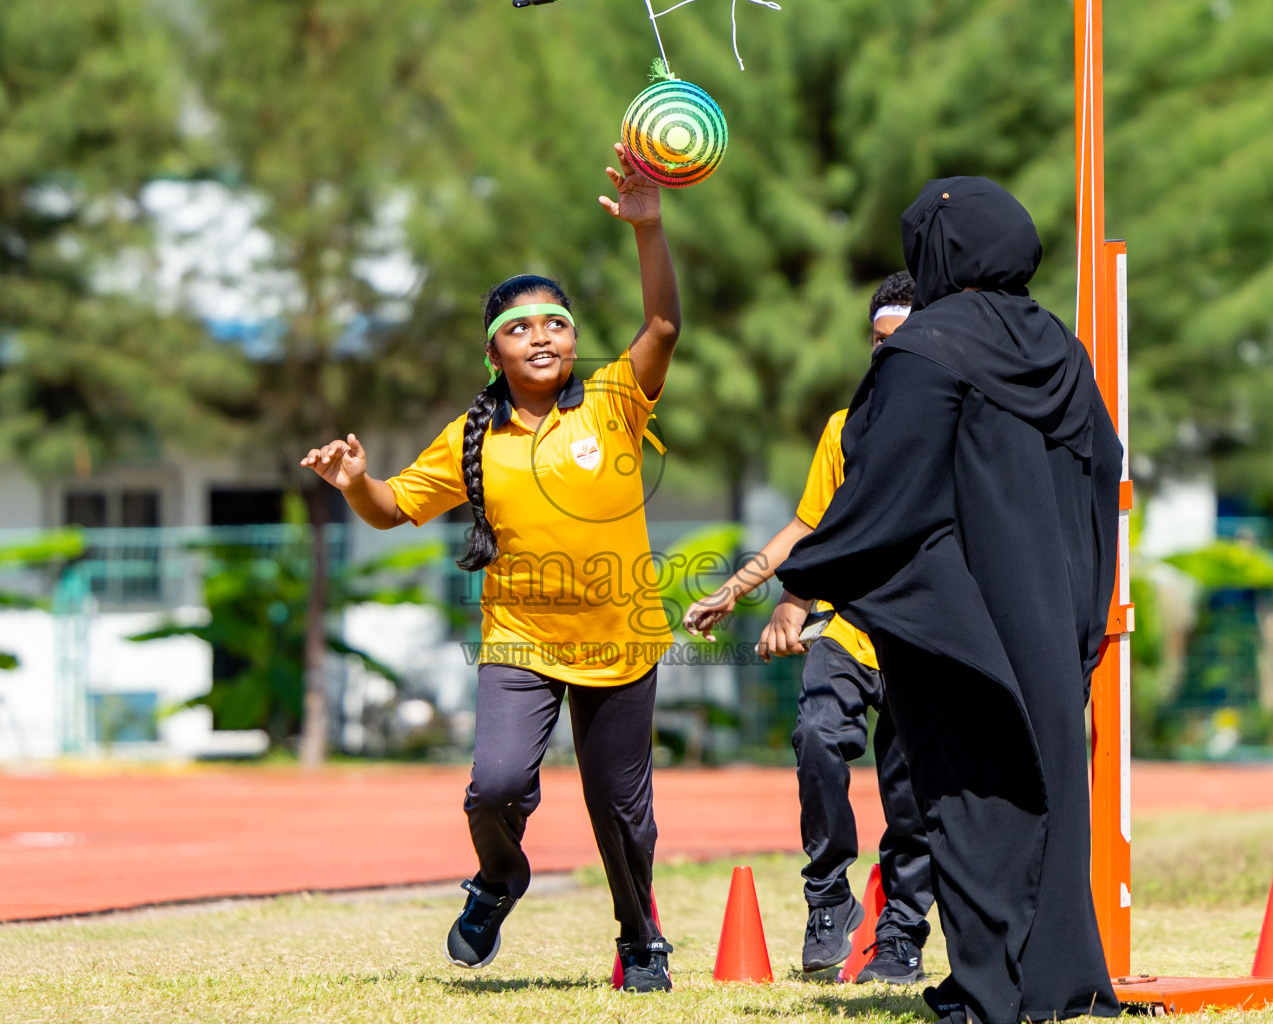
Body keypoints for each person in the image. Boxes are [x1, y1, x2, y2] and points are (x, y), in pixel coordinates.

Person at [301, 144, 681, 993]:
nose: (540, 337)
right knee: (495, 785)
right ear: (494, 355)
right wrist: (355, 481)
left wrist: (649, 230)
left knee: (623, 812)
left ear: (575, 339)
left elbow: (662, 327)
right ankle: (499, 878)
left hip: (622, 637)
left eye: (555, 323)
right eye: (519, 328)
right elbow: (394, 506)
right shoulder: (475, 437)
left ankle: (637, 934)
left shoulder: (615, 402)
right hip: (519, 639)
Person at [776, 177, 1123, 1024]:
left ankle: (989, 991)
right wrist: (1082, 610)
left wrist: (804, 577)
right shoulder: (1062, 351)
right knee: (1048, 794)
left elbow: (886, 484)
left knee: (966, 797)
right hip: (1049, 611)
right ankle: (1061, 983)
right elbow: (1101, 473)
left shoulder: (925, 349)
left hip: (958, 618)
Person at [681, 272, 933, 984]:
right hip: (851, 625)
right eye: (880, 343)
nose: (891, 357)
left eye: (906, 344)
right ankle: (829, 897)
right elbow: (806, 524)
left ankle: (902, 936)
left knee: (912, 795)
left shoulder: (961, 420)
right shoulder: (845, 428)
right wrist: (740, 588)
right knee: (819, 736)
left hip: (927, 634)